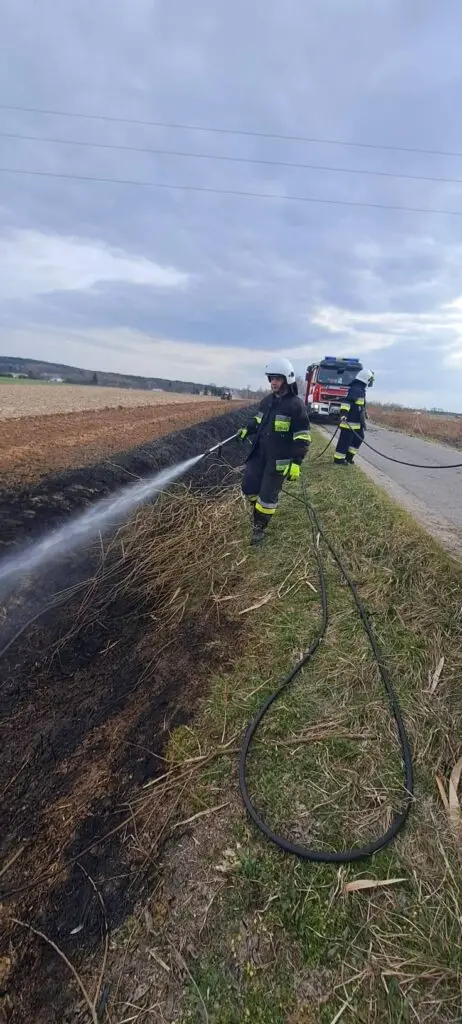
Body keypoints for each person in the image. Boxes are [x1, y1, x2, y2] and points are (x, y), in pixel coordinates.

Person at [237, 357, 311, 545]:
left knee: (267, 497)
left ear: (287, 379)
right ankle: (257, 514)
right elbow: (259, 420)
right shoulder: (267, 401)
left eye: (277, 378)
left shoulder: (296, 405)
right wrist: (248, 428)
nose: (273, 382)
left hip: (279, 460)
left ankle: (259, 529)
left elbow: (302, 436)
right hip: (259, 454)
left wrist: (296, 462)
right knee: (249, 486)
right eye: (271, 378)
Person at [333, 367, 375, 465]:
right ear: (366, 379)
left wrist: (364, 413)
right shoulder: (356, 389)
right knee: (345, 441)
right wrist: (343, 414)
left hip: (357, 422)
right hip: (349, 422)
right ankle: (338, 459)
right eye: (370, 380)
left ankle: (348, 457)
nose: (371, 383)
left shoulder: (360, 389)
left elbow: (359, 405)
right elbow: (347, 403)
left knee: (359, 438)